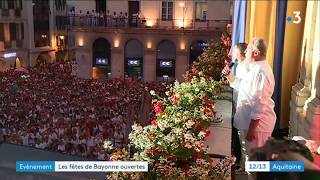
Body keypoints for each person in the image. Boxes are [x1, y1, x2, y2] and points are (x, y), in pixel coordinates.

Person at [226, 38, 276, 170]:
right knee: (249, 160)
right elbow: (242, 87)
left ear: (256, 53)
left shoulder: (261, 72)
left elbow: (259, 103)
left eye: (247, 51)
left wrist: (252, 129)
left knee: (255, 165)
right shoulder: (255, 69)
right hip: (247, 122)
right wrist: (229, 76)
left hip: (256, 127)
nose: (245, 53)